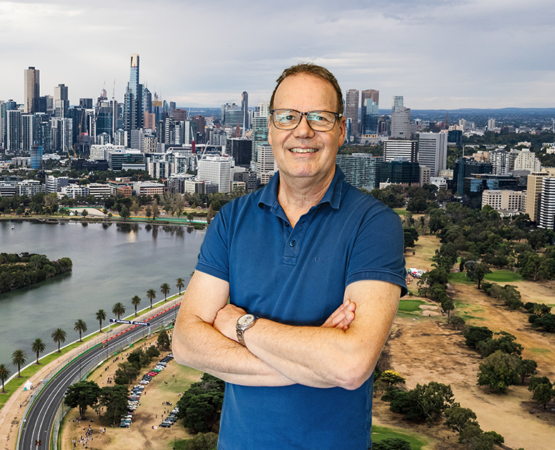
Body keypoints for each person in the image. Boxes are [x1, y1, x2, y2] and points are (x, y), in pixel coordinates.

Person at [172, 63, 406, 449]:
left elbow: (350, 365)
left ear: (342, 130)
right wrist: (313, 361)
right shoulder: (232, 220)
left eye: (319, 117)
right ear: (270, 129)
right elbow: (184, 342)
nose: (303, 130)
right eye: (288, 117)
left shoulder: (375, 225)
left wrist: (241, 325)